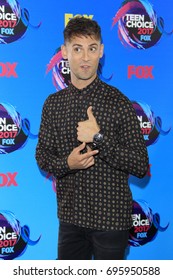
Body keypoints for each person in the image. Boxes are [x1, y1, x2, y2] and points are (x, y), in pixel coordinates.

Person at [35, 16, 149, 260]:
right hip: (70, 221)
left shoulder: (118, 103)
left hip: (111, 222)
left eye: (92, 48)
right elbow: (42, 157)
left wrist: (98, 137)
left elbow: (140, 165)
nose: (85, 58)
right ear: (65, 52)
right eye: (77, 49)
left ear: (101, 52)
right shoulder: (53, 105)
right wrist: (68, 164)